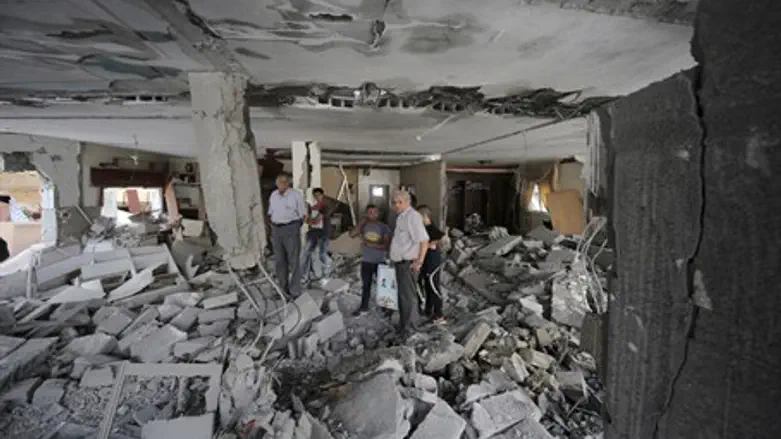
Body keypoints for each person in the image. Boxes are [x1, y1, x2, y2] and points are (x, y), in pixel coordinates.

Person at [389, 190, 429, 338]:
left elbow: (423, 240)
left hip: (409, 264)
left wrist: (419, 261)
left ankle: (410, 330)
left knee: (407, 297)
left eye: (400, 202)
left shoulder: (412, 217)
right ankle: (405, 325)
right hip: (401, 263)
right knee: (404, 296)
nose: (396, 205)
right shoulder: (401, 217)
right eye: (394, 202)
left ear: (408, 202)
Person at [267, 174, 307, 297]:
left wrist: (293, 228)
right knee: (279, 261)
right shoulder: (273, 195)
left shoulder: (296, 195)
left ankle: (295, 291)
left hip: (291, 228)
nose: (282, 184)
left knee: (293, 260)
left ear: (288, 182)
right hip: (276, 229)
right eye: (279, 182)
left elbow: (303, 215)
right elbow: (270, 212)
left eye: (284, 181)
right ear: (276, 183)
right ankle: (283, 290)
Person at [349, 204, 391, 316]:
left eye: (374, 212)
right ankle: (364, 307)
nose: (372, 215)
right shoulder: (363, 226)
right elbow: (352, 234)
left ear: (378, 214)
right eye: (369, 212)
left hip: (380, 261)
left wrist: (371, 245)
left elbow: (386, 246)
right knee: (366, 286)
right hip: (366, 261)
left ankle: (386, 308)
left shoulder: (383, 227)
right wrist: (361, 222)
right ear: (366, 214)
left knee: (383, 286)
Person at [416, 205, 446, 323]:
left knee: (433, 287)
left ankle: (439, 314)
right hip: (425, 262)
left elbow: (442, 237)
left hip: (433, 263)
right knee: (427, 287)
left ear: (424, 216)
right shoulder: (423, 229)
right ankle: (428, 310)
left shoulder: (431, 228)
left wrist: (430, 245)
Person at [302, 188, 337, 284]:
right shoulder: (313, 207)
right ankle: (304, 276)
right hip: (313, 232)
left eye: (319, 195)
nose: (317, 197)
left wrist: (306, 220)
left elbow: (315, 220)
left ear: (322, 195)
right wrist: (307, 219)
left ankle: (327, 274)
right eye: (315, 195)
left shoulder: (326, 206)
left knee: (322, 254)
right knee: (306, 253)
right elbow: (311, 220)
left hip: (324, 232)